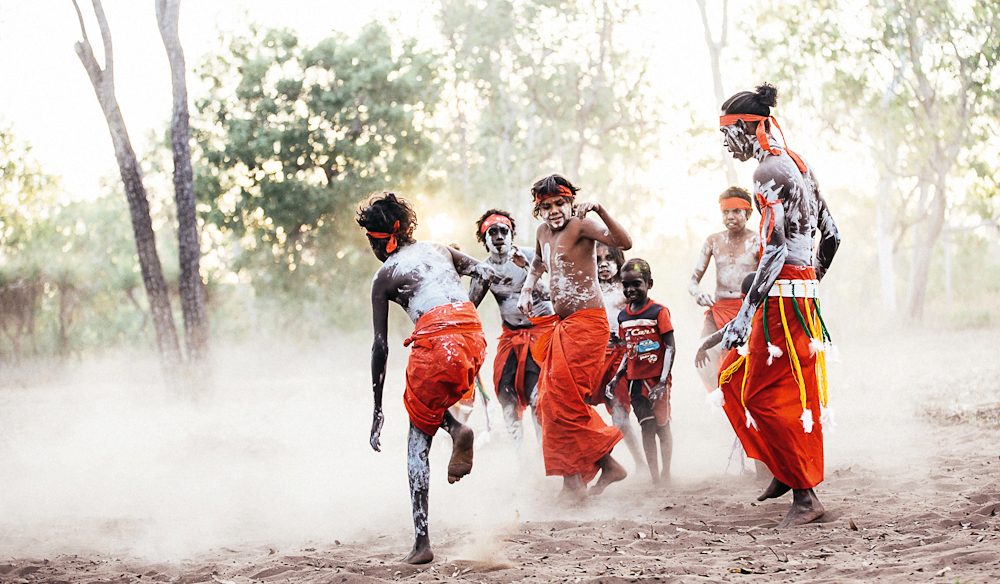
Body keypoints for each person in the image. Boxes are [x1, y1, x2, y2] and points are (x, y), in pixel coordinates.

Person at [717, 83, 840, 527]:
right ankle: (783, 471)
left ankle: (806, 496)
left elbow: (774, 247)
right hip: (799, 292)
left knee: (760, 395)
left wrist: (747, 313)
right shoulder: (799, 164)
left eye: (728, 133)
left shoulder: (767, 171)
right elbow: (833, 234)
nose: (726, 144)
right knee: (737, 379)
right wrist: (810, 284)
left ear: (749, 127)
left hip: (781, 300)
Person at [358, 192, 495, 564]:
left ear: (381, 238)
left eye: (370, 240)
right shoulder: (439, 249)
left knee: (417, 438)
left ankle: (422, 543)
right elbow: (485, 271)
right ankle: (455, 429)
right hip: (472, 334)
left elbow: (380, 348)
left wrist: (376, 409)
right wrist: (464, 313)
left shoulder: (384, 276)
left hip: (438, 339)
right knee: (427, 404)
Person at [517, 173, 630, 499]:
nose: (554, 211)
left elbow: (624, 243)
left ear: (571, 203)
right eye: (546, 206)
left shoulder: (582, 226)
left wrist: (601, 211)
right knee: (547, 401)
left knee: (564, 399)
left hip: (588, 324)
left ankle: (598, 468)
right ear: (539, 210)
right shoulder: (542, 232)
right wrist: (527, 289)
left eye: (560, 203)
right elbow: (538, 263)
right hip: (561, 326)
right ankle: (579, 477)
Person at [468, 209, 558, 444]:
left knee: (539, 398)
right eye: (492, 232)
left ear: (512, 235)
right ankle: (521, 461)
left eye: (503, 231)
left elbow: (549, 295)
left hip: (542, 334)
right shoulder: (484, 269)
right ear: (484, 240)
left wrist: (527, 268)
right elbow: (469, 308)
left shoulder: (530, 255)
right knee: (505, 394)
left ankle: (543, 456)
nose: (499, 236)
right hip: (512, 337)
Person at [606, 258, 675, 483]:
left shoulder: (658, 311)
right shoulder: (623, 316)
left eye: (636, 284)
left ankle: (666, 472)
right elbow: (628, 350)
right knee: (647, 426)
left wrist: (663, 382)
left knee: (662, 427)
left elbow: (671, 347)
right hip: (636, 381)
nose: (630, 289)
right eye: (625, 285)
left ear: (649, 283)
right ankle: (655, 477)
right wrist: (617, 377)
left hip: (657, 380)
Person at [689, 186, 760, 391]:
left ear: (747, 213)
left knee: (746, 361)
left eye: (736, 211)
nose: (730, 216)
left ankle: (742, 402)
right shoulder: (714, 240)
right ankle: (721, 398)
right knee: (703, 358)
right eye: (726, 212)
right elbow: (693, 281)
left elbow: (767, 278)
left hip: (746, 311)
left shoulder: (758, 241)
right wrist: (698, 293)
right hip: (718, 310)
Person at [592, 242, 646, 473]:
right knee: (579, 407)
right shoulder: (589, 289)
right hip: (595, 357)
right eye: (598, 260)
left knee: (621, 417)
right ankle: (599, 462)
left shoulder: (627, 290)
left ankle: (641, 464)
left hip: (623, 356)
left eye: (609, 259)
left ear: (618, 261)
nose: (603, 265)